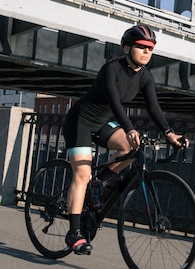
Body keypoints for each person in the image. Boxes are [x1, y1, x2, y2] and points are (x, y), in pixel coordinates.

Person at [61, 23, 184, 255]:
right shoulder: (112, 69)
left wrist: (170, 134)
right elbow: (115, 103)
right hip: (80, 122)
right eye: (141, 47)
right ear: (127, 48)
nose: (147, 52)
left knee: (130, 148)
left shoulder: (146, 76)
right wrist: (129, 127)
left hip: (103, 123)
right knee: (83, 175)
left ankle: (102, 181)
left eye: (151, 48)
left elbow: (154, 108)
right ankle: (74, 234)